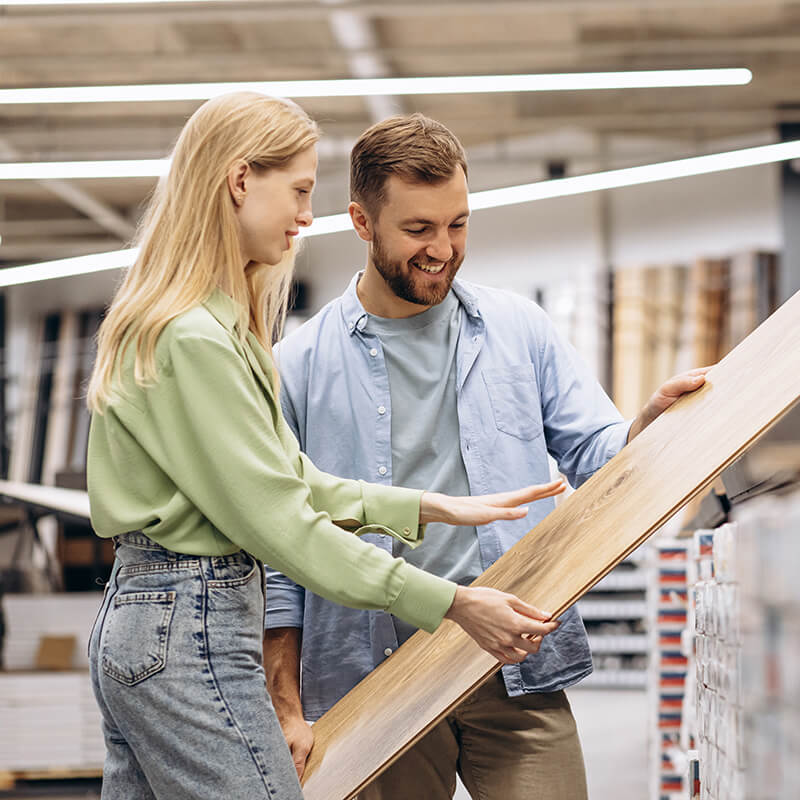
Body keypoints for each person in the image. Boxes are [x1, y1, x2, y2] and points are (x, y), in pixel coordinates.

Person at [84, 94, 569, 800]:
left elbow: (292, 479)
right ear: (240, 180)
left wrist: (431, 508)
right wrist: (454, 602)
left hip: (156, 620)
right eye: (301, 190)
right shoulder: (193, 337)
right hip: (186, 628)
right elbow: (285, 527)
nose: (307, 215)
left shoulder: (214, 328)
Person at [264, 113, 710, 799]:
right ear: (361, 221)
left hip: (512, 662)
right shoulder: (298, 366)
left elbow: (595, 456)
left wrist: (642, 427)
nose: (443, 248)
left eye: (458, 224)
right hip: (376, 679)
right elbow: (281, 555)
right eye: (419, 229)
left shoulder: (518, 330)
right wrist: (287, 707)